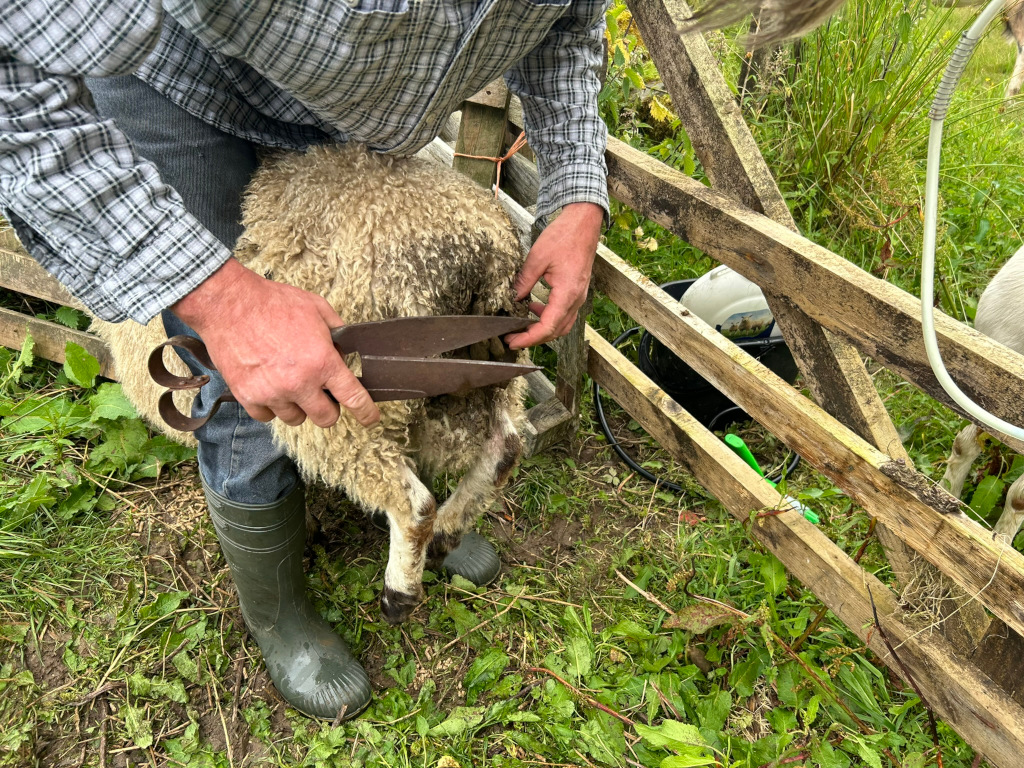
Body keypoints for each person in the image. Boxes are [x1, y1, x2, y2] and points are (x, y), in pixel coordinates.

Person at [0, 0, 607, 719]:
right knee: (250, 373)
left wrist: (575, 183)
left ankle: (409, 505)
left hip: (344, 103)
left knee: (364, 319)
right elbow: (17, 77)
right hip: (179, 85)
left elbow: (569, 20)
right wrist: (220, 299)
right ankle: (278, 608)